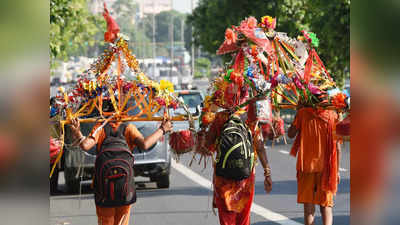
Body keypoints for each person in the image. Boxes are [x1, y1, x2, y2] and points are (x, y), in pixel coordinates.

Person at [69, 107, 173, 225]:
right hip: (125, 188)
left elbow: (85, 145)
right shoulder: (129, 128)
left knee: (106, 221)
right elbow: (144, 144)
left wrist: (77, 131)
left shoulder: (100, 127)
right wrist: (162, 129)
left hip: (104, 188)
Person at [205, 100, 272, 225]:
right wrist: (267, 172)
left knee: (227, 219)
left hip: (223, 178)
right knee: (243, 219)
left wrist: (205, 126)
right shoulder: (250, 118)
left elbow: (207, 145)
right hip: (245, 178)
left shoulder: (220, 118)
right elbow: (260, 147)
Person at [288, 106, 341, 225]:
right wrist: (336, 171)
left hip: (306, 167)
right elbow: (337, 147)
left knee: (309, 209)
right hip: (327, 168)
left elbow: (290, 134)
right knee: (326, 206)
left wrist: (298, 113)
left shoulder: (302, 113)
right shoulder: (333, 115)